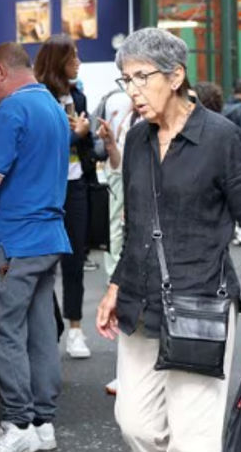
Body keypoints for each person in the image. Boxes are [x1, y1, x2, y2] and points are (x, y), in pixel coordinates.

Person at [95, 28, 241, 452]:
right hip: (140, 302)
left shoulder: (221, 138)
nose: (133, 91)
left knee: (194, 436)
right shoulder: (138, 138)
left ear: (175, 76)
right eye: (126, 79)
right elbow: (137, 225)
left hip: (201, 304)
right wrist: (115, 285)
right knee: (134, 422)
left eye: (143, 77)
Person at [0, 43, 70, 452]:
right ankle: (42, 422)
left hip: (15, 242)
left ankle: (18, 422)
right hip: (48, 239)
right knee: (40, 333)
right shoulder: (55, 109)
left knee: (1, 331)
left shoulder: (11, 111)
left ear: (1, 70)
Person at [33, 35, 95, 360]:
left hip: (76, 186)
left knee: (74, 261)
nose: (79, 62)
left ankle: (75, 329)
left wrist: (88, 134)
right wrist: (76, 133)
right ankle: (50, 326)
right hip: (46, 190)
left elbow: (86, 142)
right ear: (59, 60)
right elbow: (44, 142)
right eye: (73, 56)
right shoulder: (38, 97)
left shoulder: (79, 96)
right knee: (44, 261)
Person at [93, 88, 135, 396]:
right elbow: (119, 165)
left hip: (137, 211)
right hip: (124, 205)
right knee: (121, 284)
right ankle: (129, 370)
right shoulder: (125, 108)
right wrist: (109, 141)